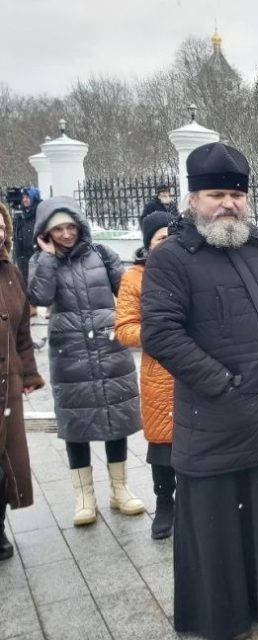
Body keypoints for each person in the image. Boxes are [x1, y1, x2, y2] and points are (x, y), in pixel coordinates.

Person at [141, 142, 258, 640]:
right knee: (219, 530)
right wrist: (224, 386)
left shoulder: (257, 248)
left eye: (235, 194)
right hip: (216, 417)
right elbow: (161, 333)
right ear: (193, 199)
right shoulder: (171, 258)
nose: (228, 204)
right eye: (216, 195)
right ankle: (222, 617)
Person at [27, 197, 144, 527]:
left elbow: (126, 291)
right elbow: (40, 298)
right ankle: (84, 496)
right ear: (46, 232)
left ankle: (120, 489)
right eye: (58, 229)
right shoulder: (40, 260)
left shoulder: (101, 254)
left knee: (114, 415)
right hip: (70, 350)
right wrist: (49, 258)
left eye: (70, 227)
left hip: (108, 345)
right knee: (76, 423)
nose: (66, 234)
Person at [114, 211, 176, 540]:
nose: (168, 243)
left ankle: (196, 503)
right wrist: (161, 334)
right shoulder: (135, 278)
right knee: (164, 445)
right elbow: (125, 329)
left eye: (172, 236)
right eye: (160, 238)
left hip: (197, 369)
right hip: (160, 374)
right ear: (148, 244)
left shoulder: (191, 267)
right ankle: (164, 502)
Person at [0, 201, 45, 561]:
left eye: (0, 226)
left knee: (5, 461)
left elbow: (22, 333)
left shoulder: (11, 273)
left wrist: (28, 374)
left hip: (7, 383)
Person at [13, 187, 39, 284]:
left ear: (33, 198)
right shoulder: (20, 215)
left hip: (35, 258)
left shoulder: (38, 214)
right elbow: (15, 237)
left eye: (27, 197)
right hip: (22, 260)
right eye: (23, 197)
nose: (24, 200)